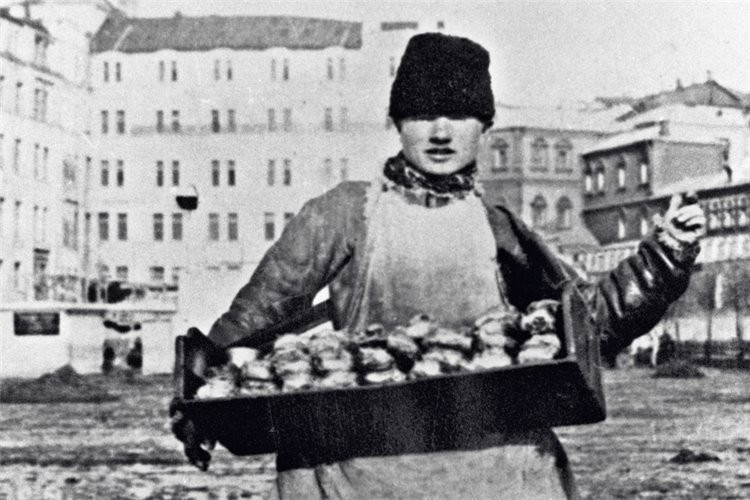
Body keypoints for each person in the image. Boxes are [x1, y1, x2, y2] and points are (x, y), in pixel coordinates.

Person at [171, 33, 706, 499]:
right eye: (423, 114)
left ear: (485, 125)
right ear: (398, 122)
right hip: (362, 472)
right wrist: (203, 402)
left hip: (492, 471)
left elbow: (588, 322)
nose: (442, 132)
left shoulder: (499, 226)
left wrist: (665, 255)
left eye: (460, 115)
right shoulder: (345, 213)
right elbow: (257, 315)